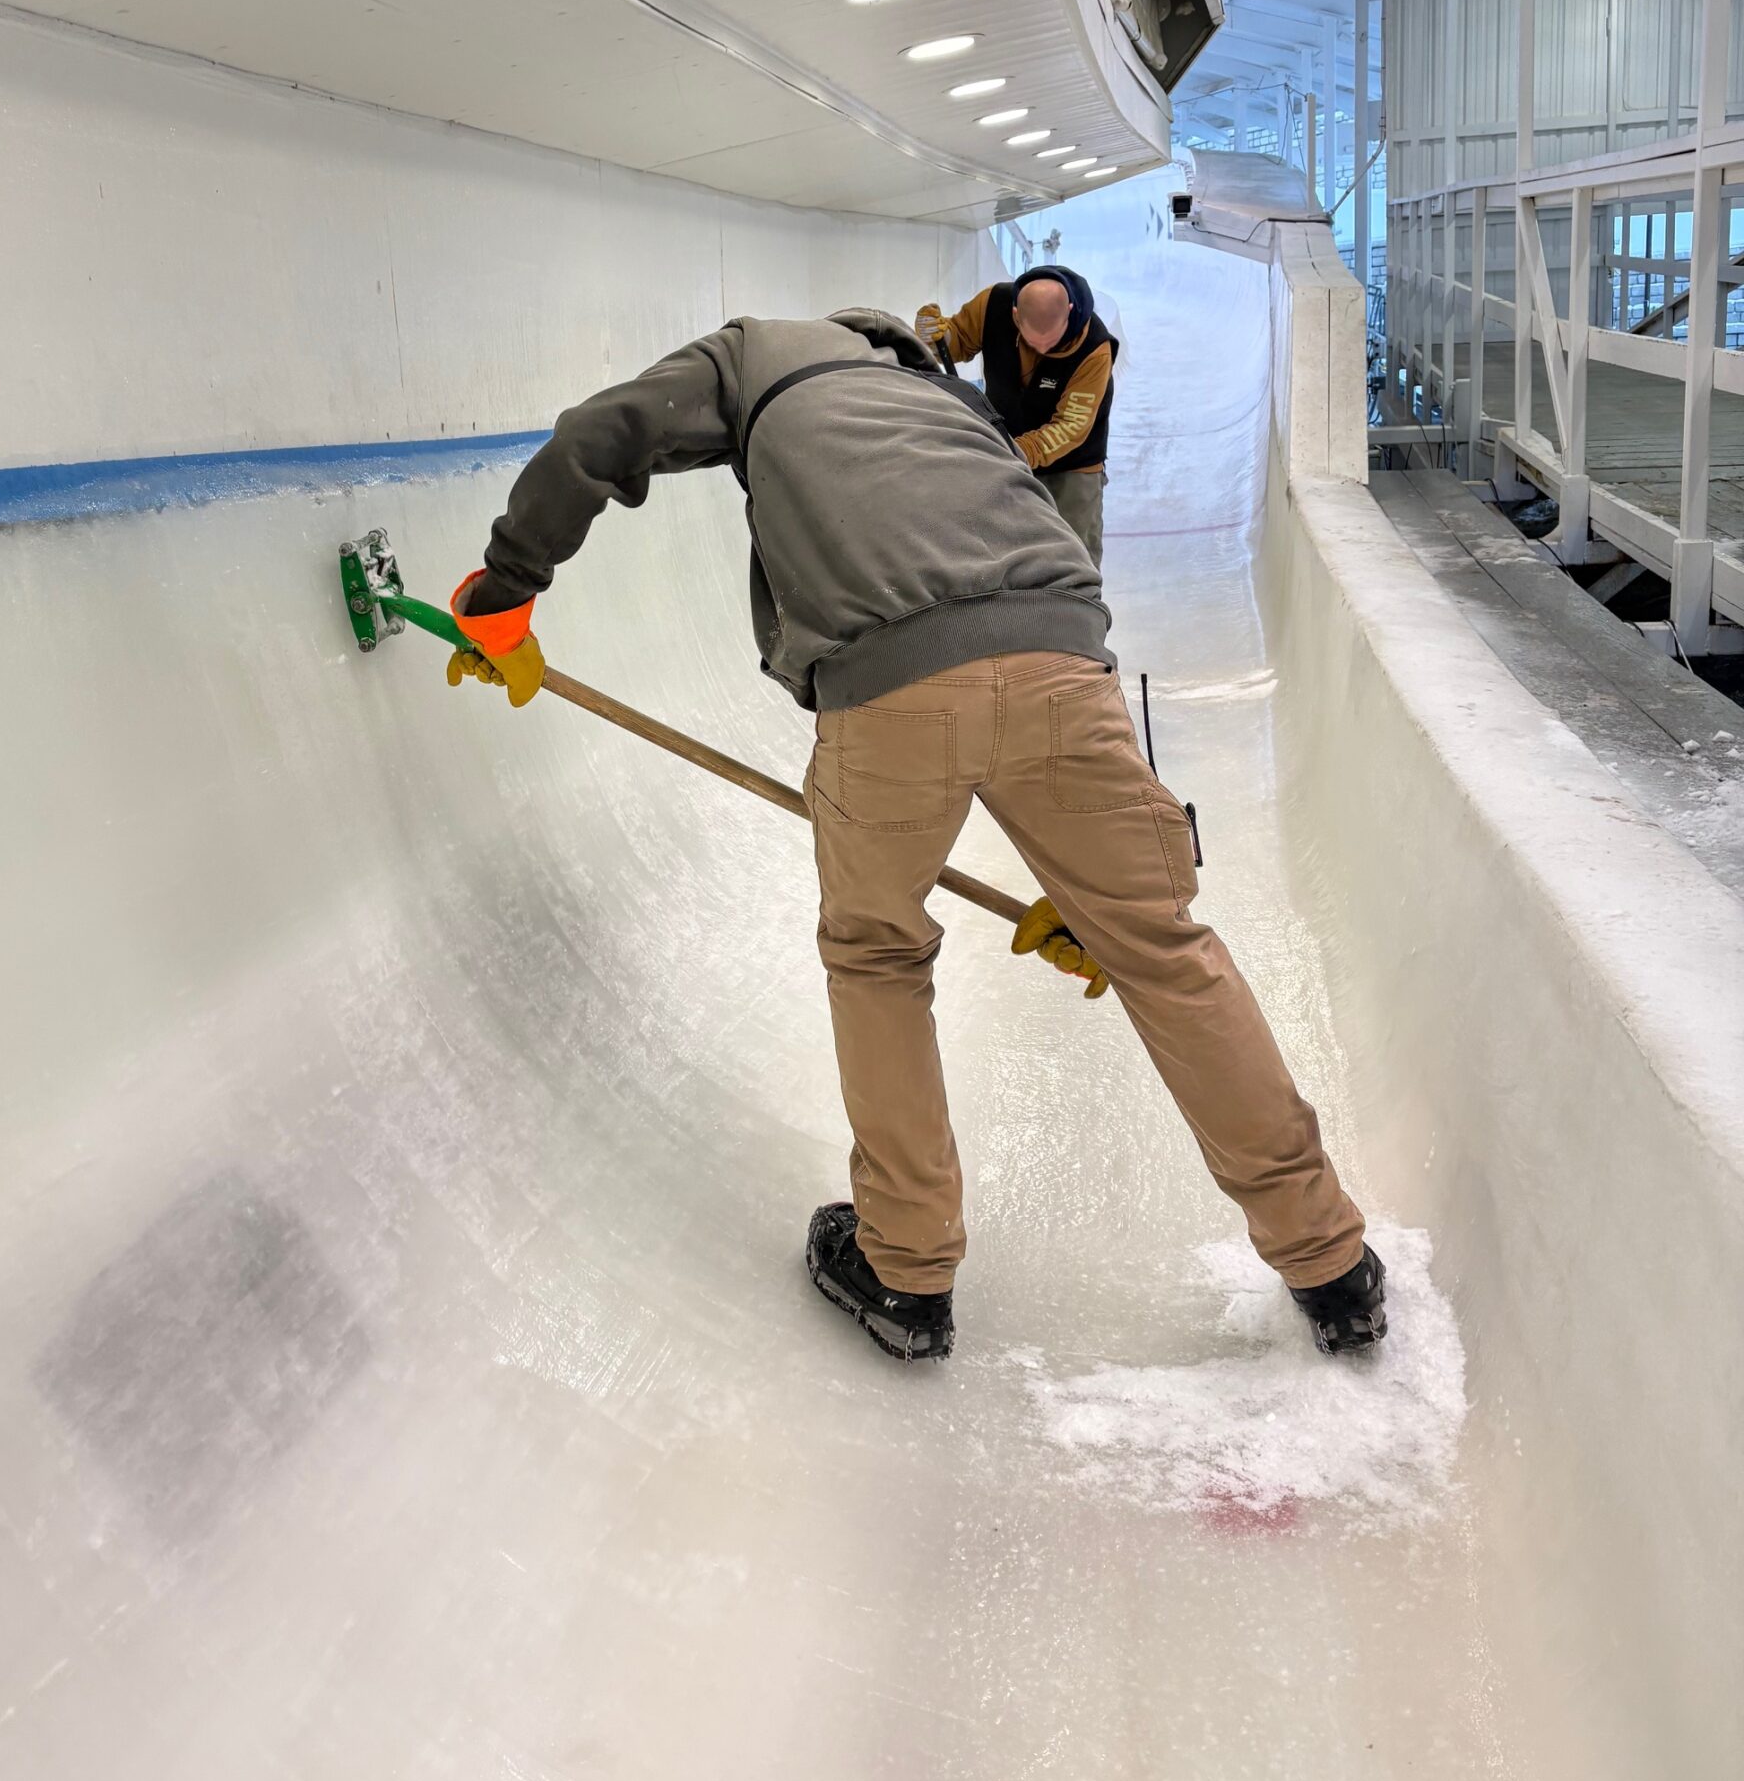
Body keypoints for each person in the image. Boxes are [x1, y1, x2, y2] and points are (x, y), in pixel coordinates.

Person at [447, 308, 1386, 1366]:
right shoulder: (950, 400)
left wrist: (505, 589)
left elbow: (600, 435)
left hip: (889, 682)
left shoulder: (752, 355)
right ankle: (1328, 1258)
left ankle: (905, 1266)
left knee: (879, 956)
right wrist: (1099, 897)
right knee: (1160, 949)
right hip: (1064, 665)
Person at [916, 262, 1119, 564]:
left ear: (1069, 312)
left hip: (1073, 465)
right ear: (1015, 316)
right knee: (1003, 543)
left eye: (1052, 340)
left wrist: (1013, 451)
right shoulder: (992, 305)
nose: (1043, 350)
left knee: (1074, 554)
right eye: (1033, 340)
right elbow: (959, 341)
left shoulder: (1093, 348)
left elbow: (1070, 426)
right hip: (1008, 444)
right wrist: (939, 339)